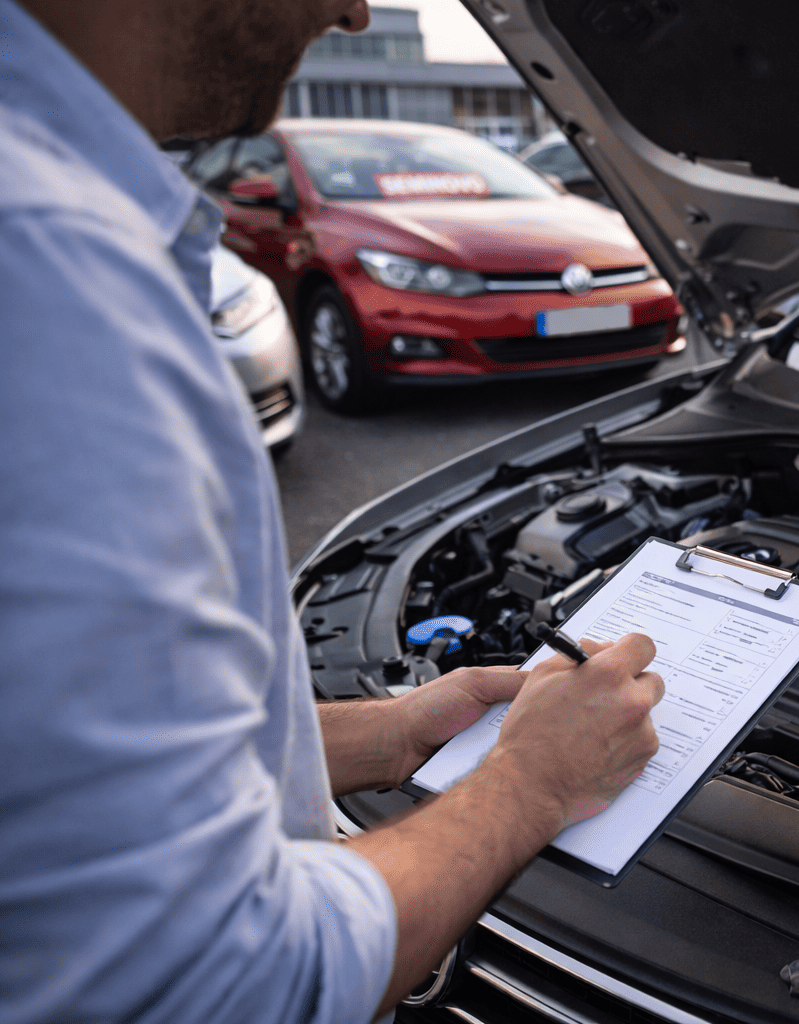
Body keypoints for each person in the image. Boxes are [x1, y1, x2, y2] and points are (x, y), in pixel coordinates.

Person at [0, 2, 665, 1022]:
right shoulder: (49, 274)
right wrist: (530, 784)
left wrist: (391, 734)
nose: (355, 10)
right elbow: (211, 982)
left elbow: (47, 772)